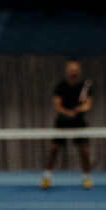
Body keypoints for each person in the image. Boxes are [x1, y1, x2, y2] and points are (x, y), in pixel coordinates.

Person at [40, 59, 93, 189]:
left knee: (84, 151)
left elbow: (88, 104)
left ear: (78, 71)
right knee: (54, 149)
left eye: (75, 69)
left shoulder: (84, 86)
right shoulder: (61, 86)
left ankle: (86, 177)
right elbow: (57, 105)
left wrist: (79, 109)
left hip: (79, 122)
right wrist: (68, 112)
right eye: (71, 69)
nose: (73, 71)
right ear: (67, 70)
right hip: (62, 121)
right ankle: (47, 177)